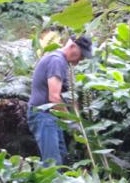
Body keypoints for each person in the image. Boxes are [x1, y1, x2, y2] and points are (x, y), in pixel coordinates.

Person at [27, 35, 93, 165]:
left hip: (52, 117)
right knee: (52, 164)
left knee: (62, 160)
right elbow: (54, 97)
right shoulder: (57, 61)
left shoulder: (61, 61)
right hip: (44, 116)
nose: (81, 59)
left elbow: (68, 95)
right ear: (73, 46)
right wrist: (70, 122)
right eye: (82, 55)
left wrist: (76, 119)